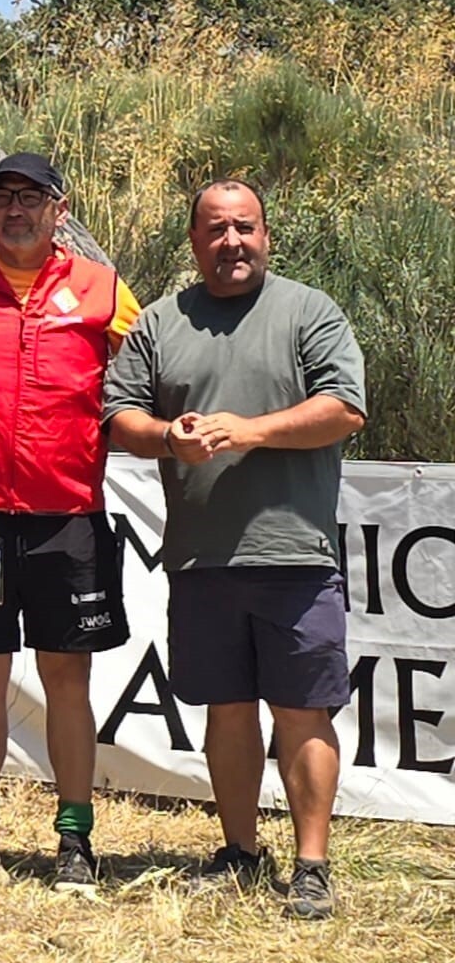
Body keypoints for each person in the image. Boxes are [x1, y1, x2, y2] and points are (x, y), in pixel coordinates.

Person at [105, 179, 366, 920]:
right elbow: (119, 415)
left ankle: (311, 866)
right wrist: (168, 437)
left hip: (295, 555)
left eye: (244, 227)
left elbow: (344, 409)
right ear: (194, 241)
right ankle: (240, 851)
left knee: (302, 712)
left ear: (266, 234)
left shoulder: (309, 311)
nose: (231, 242)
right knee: (225, 711)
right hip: (201, 559)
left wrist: (249, 431)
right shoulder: (161, 321)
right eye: (215, 229)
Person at [0, 153, 140, 895]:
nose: (15, 210)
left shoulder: (103, 288)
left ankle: (75, 841)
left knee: (66, 679)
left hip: (66, 517)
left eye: (31, 198)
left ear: (59, 210)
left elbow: (152, 373)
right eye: (2, 198)